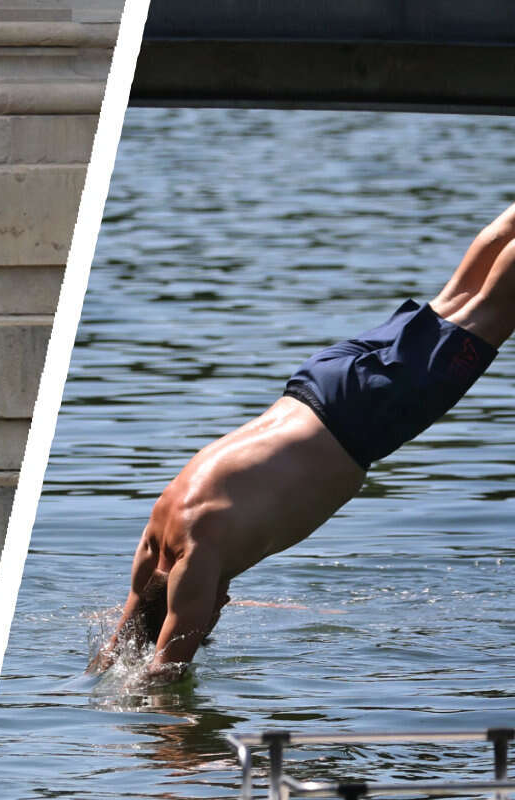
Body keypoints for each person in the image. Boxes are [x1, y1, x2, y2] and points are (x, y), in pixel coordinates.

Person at [89, 202, 515, 684]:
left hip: (362, 417)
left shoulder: (195, 561)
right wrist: (89, 679)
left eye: (213, 615)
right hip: (317, 382)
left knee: (491, 313)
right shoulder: (155, 538)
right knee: (457, 298)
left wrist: (156, 725)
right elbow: (119, 640)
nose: (222, 608)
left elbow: (163, 672)